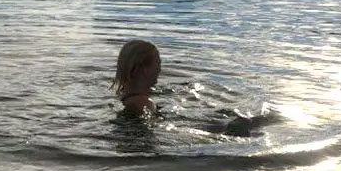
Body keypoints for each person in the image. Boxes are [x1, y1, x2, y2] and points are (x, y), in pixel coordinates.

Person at [111, 39, 279, 136]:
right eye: (158, 64)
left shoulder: (126, 97)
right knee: (245, 123)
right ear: (143, 69)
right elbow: (159, 129)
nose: (160, 69)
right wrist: (220, 129)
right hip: (177, 131)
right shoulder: (143, 103)